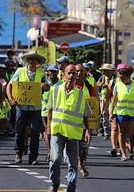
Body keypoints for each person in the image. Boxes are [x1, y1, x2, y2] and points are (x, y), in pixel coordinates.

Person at [47, 64, 90, 192]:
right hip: (58, 129)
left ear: (77, 76)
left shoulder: (81, 95)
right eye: (69, 73)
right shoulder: (54, 90)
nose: (71, 75)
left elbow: (86, 114)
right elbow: (49, 110)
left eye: (74, 73)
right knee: (55, 158)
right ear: (64, 75)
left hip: (73, 133)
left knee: (72, 162)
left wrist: (88, 130)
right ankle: (54, 183)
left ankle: (71, 187)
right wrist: (48, 128)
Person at [6, 51, 49, 165]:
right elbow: (10, 85)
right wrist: (11, 98)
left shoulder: (41, 73)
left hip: (35, 108)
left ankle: (33, 157)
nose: (32, 62)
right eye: (30, 59)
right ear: (27, 61)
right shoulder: (20, 71)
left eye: (35, 60)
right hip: (21, 107)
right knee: (19, 131)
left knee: (35, 132)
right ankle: (18, 153)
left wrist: (43, 85)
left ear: (38, 62)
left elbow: (48, 86)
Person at [109, 64, 134, 161]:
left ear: (127, 75)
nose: (120, 79)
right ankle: (123, 153)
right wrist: (111, 113)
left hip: (133, 112)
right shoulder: (118, 84)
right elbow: (114, 100)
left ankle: (130, 146)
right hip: (121, 111)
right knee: (122, 132)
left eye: (122, 77)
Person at [41, 64, 61, 162]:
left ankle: (56, 151)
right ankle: (49, 152)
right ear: (48, 72)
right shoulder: (44, 84)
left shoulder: (61, 84)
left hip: (57, 112)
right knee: (47, 131)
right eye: (51, 71)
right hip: (45, 111)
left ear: (57, 72)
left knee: (55, 132)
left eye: (54, 71)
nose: (52, 73)